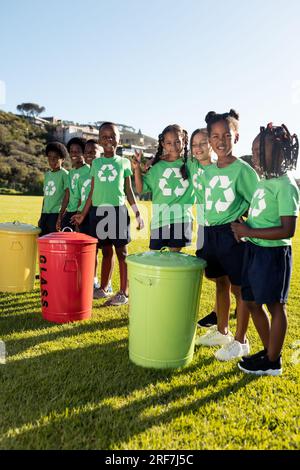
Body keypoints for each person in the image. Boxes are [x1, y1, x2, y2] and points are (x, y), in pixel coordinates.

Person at [231, 123, 299, 376]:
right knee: (250, 302)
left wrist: (248, 232)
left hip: (273, 255)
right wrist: (245, 224)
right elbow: (260, 215)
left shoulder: (286, 184)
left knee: (274, 305)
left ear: (280, 152)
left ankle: (272, 361)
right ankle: (270, 350)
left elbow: (287, 230)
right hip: (254, 251)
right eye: (254, 150)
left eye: (262, 151)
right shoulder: (263, 181)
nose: (256, 156)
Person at [195, 110, 260, 361]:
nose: (220, 141)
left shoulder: (243, 171)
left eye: (226, 135)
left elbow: (257, 202)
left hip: (232, 235)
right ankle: (222, 331)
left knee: (240, 289)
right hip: (210, 234)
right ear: (209, 140)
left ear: (237, 137)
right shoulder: (208, 171)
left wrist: (245, 224)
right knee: (220, 283)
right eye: (215, 136)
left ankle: (241, 341)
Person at [72, 122, 144, 305]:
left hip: (117, 211)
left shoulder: (124, 162)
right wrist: (82, 213)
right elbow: (92, 192)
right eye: (104, 137)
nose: (108, 140)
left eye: (112, 136)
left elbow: (129, 190)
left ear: (119, 139)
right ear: (99, 140)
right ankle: (104, 289)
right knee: (106, 251)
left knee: (122, 252)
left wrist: (137, 213)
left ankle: (124, 293)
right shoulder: (96, 163)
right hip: (98, 212)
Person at [190, 128, 231, 329]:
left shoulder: (221, 166)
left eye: (202, 143)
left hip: (221, 228)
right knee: (211, 274)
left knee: (225, 278)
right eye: (194, 144)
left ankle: (222, 316)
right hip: (203, 227)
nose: (198, 148)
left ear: (211, 145)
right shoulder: (192, 165)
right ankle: (220, 312)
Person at [132, 124, 194, 252]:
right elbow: (140, 189)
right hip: (159, 221)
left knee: (174, 260)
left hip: (181, 220)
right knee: (155, 259)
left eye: (178, 141)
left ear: (184, 141)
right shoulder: (156, 168)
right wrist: (137, 168)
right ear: (163, 144)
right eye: (169, 143)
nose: (174, 146)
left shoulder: (191, 164)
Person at [57, 137, 88, 232]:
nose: (73, 154)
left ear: (83, 153)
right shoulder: (71, 173)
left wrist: (80, 213)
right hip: (70, 213)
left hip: (82, 212)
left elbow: (85, 195)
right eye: (71, 151)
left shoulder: (89, 170)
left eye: (77, 151)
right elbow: (67, 195)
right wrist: (61, 215)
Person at [38, 142, 69, 236]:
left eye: (55, 157)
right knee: (42, 240)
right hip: (45, 214)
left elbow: (67, 196)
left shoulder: (65, 175)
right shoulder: (47, 175)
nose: (52, 160)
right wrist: (41, 216)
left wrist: (60, 216)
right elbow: (45, 198)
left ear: (62, 159)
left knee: (54, 241)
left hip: (56, 214)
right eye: (50, 157)